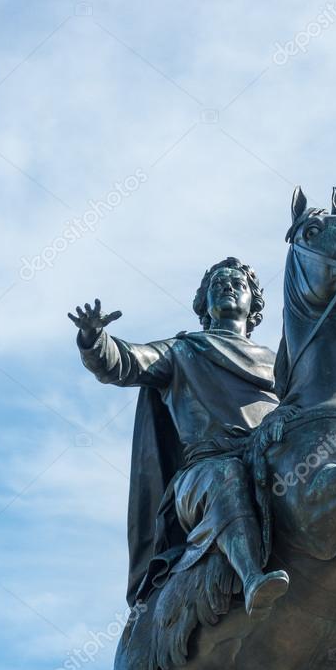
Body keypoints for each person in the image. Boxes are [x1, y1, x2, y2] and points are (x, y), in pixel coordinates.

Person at [69, 258, 289, 614]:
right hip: (205, 473)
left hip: (268, 463)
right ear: (204, 305)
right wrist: (94, 340)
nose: (228, 286)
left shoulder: (280, 364)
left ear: (254, 305)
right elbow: (124, 362)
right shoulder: (183, 351)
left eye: (238, 283)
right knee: (226, 477)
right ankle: (252, 579)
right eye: (218, 284)